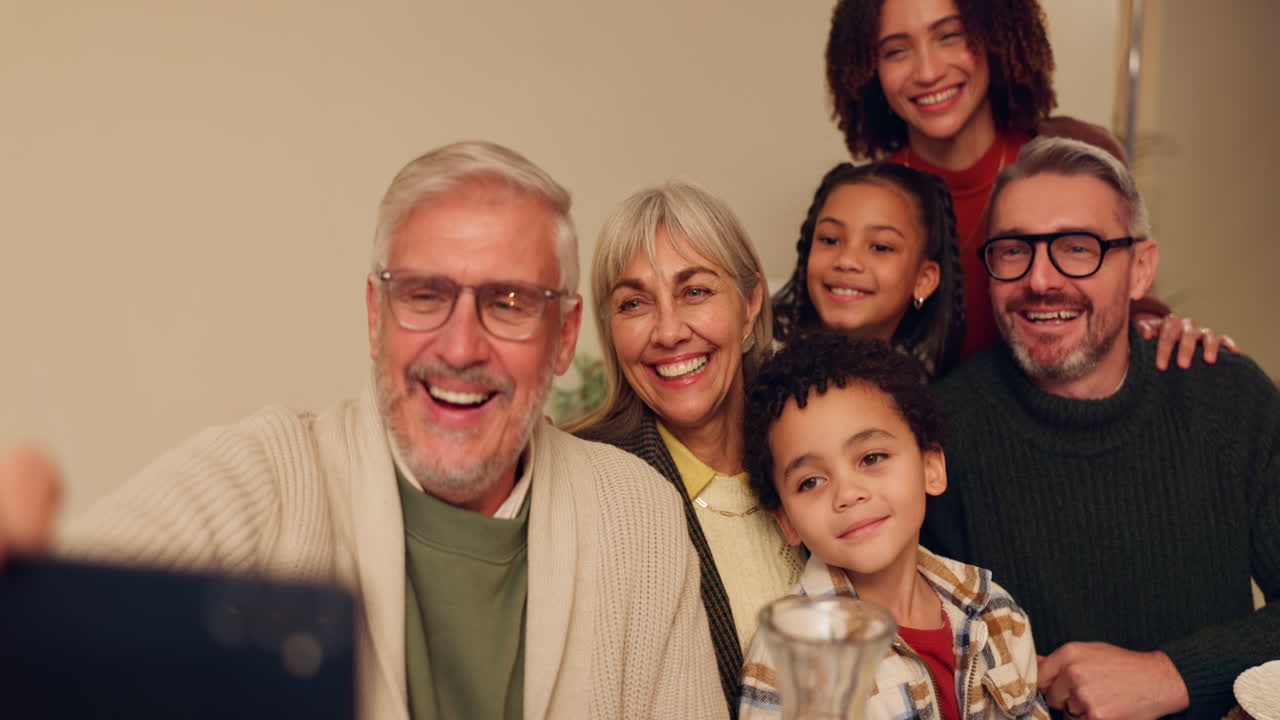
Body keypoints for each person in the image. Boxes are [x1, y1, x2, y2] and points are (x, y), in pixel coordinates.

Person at [0, 141, 728, 720]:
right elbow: (54, 646)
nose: (462, 346)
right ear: (376, 318)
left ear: (564, 334)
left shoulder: (640, 517)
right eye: (424, 294)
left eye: (508, 302)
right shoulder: (265, 477)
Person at [922, 136, 1280, 720]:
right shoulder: (942, 431)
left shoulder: (1228, 398)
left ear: (1140, 269)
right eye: (1013, 250)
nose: (1040, 280)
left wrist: (1175, 674)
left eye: (1077, 247)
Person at [824, 0, 1233, 364]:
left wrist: (1165, 333)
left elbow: (1133, 299)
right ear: (869, 69)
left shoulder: (1079, 151)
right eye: (896, 51)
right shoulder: (872, 199)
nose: (928, 71)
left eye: (950, 36)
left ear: (996, 34)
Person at [565, 181, 805, 715]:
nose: (669, 331)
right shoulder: (583, 491)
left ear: (750, 303)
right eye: (634, 303)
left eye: (695, 291)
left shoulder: (820, 444)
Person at [737, 332, 1048, 720]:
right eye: (811, 481)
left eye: (871, 457)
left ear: (931, 467)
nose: (848, 494)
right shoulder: (792, 655)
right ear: (787, 521)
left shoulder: (997, 614)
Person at [772, 161, 965, 377]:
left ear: (923, 280)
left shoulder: (922, 390)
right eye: (830, 240)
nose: (846, 261)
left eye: (880, 247)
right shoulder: (761, 361)